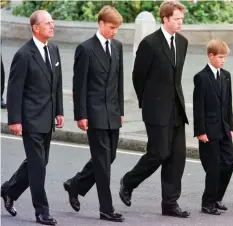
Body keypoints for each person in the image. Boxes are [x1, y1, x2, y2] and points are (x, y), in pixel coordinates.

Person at [119, 1, 190, 218]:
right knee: (158, 153)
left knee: (177, 157)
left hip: (176, 108)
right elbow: (137, 77)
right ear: (165, 19)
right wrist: (147, 102)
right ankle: (128, 181)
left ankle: (170, 203)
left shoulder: (183, 42)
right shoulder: (149, 44)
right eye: (176, 19)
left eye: (181, 19)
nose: (180, 23)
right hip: (156, 109)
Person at [1, 10, 63, 225]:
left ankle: (9, 190)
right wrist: (15, 120)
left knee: (41, 161)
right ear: (35, 28)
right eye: (47, 23)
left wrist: (59, 111)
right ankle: (42, 211)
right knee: (38, 165)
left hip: (47, 117)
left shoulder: (53, 50)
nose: (52, 26)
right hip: (30, 119)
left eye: (52, 22)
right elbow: (14, 90)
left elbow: (57, 85)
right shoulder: (24, 54)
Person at [64, 6, 124, 222]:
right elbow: (78, 85)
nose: (114, 31)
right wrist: (80, 115)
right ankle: (106, 209)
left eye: (117, 28)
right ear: (100, 24)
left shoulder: (117, 47)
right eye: (111, 27)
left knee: (110, 157)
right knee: (101, 163)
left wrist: (121, 111)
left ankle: (75, 184)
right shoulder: (85, 49)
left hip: (112, 112)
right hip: (94, 113)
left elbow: (119, 81)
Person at [193, 39, 233, 215]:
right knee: (214, 167)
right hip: (208, 130)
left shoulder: (226, 76)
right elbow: (198, 107)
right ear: (210, 56)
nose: (223, 60)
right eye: (220, 57)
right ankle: (207, 203)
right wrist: (200, 131)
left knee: (230, 161)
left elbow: (228, 104)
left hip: (224, 128)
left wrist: (231, 126)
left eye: (225, 57)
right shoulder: (201, 77)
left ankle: (217, 196)